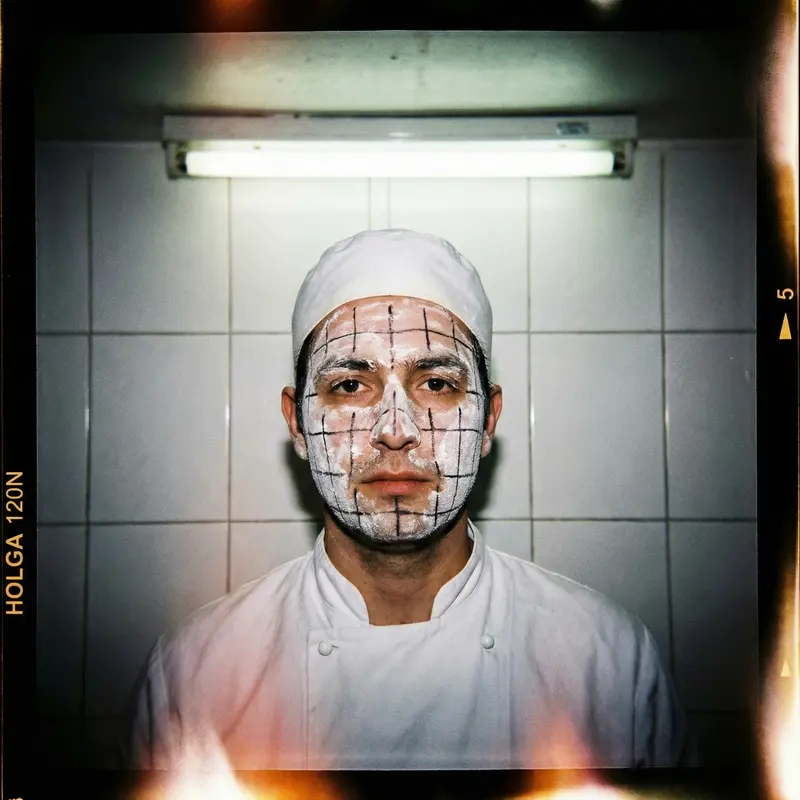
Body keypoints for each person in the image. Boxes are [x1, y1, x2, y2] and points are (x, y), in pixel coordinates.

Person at [119, 229, 696, 771]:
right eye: (349, 384)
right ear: (296, 422)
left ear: (489, 418)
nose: (395, 430)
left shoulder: (609, 663)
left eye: (437, 384)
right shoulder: (194, 676)